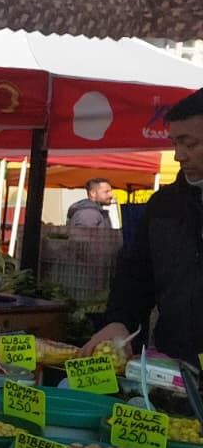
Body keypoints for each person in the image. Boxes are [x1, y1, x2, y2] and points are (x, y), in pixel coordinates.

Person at [83, 88, 203, 366]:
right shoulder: (164, 205)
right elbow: (136, 273)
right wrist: (118, 320)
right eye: (175, 143)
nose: (179, 156)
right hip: (174, 362)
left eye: (189, 143)